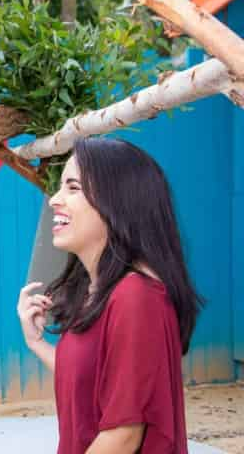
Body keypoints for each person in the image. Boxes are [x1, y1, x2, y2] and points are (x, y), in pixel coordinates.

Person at [17, 137, 204, 453]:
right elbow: (93, 383)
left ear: (116, 201)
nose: (54, 200)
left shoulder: (137, 297)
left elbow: (122, 435)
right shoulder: (101, 291)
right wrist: (36, 343)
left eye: (73, 188)